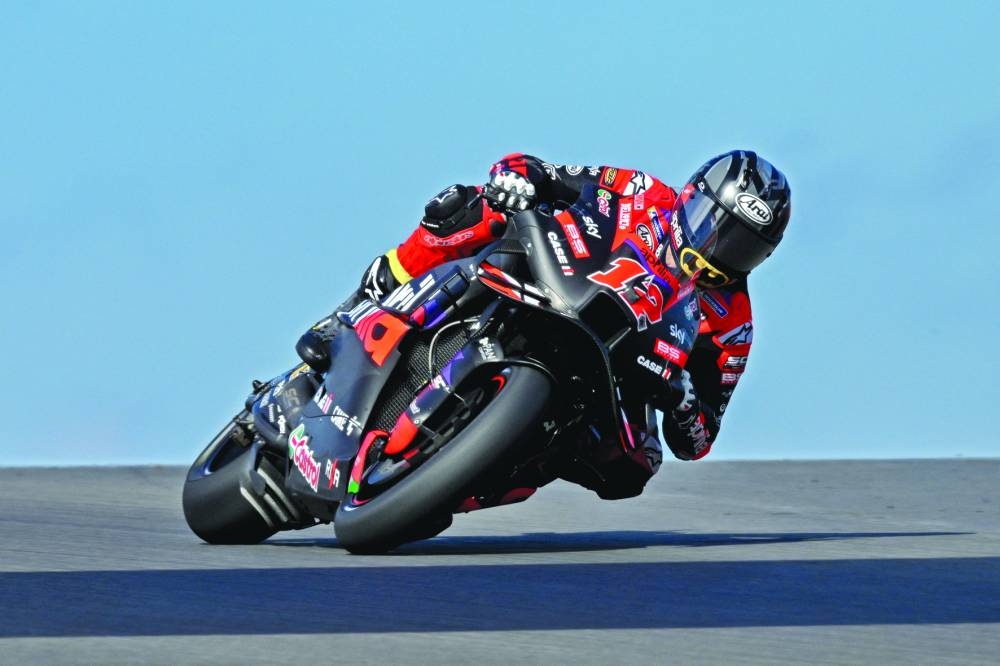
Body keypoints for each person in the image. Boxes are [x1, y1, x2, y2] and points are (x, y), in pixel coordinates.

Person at [297, 151, 791, 500]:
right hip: (555, 286)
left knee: (634, 470)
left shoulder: (734, 326)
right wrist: (519, 177)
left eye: (739, 245)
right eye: (712, 221)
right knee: (466, 209)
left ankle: (471, 476)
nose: (715, 248)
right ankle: (354, 309)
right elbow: (550, 175)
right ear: (691, 197)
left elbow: (699, 441)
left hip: (617, 374)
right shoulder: (643, 192)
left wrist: (684, 401)